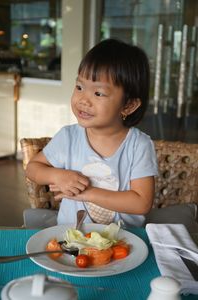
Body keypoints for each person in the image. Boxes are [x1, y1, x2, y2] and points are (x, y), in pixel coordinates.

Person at [26, 38, 158, 227]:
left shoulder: (139, 145)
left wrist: (86, 193)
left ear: (128, 105)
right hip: (72, 236)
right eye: (79, 87)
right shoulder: (68, 137)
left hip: (124, 241)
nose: (83, 100)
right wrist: (56, 175)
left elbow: (141, 203)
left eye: (98, 93)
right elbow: (32, 168)